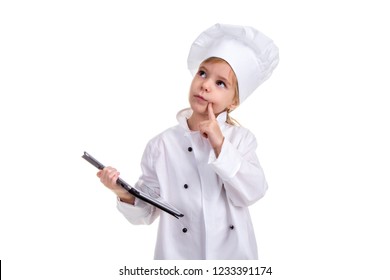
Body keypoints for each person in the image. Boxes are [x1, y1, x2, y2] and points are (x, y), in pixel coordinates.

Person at [97, 23, 279, 259]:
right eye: (202, 73)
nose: (205, 84)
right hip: (178, 259)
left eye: (220, 83)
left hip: (233, 259)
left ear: (233, 101)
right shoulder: (161, 145)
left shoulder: (241, 139)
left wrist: (219, 144)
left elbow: (253, 192)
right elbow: (146, 212)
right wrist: (122, 193)